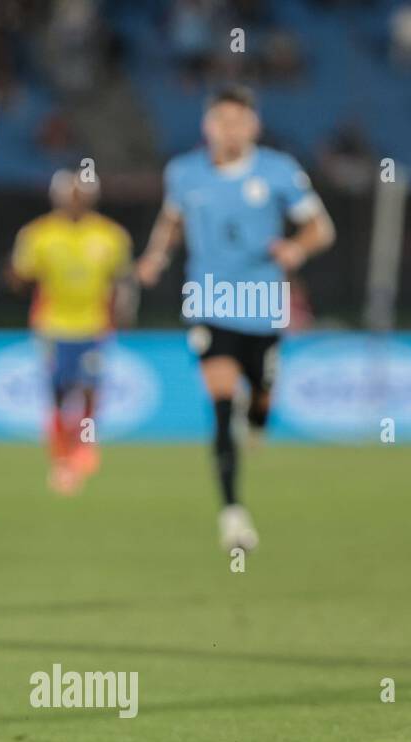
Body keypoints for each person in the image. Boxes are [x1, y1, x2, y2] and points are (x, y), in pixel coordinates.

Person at [136, 85, 334, 551]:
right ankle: (233, 514)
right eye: (222, 120)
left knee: (262, 401)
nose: (231, 129)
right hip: (210, 299)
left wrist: (295, 248)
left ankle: (258, 410)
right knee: (222, 401)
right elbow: (172, 219)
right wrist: (155, 257)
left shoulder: (279, 171)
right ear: (208, 126)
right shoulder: (184, 174)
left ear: (254, 126)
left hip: (262, 301)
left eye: (240, 120)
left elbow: (321, 228)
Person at [7, 169, 132, 494]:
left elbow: (120, 281)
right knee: (59, 392)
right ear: (57, 196)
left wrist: (122, 313)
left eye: (81, 193)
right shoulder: (39, 235)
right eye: (69, 193)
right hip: (53, 326)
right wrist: (14, 275)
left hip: (93, 326)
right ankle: (62, 456)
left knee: (90, 390)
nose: (75, 199)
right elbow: (21, 276)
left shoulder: (110, 235)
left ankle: (83, 448)